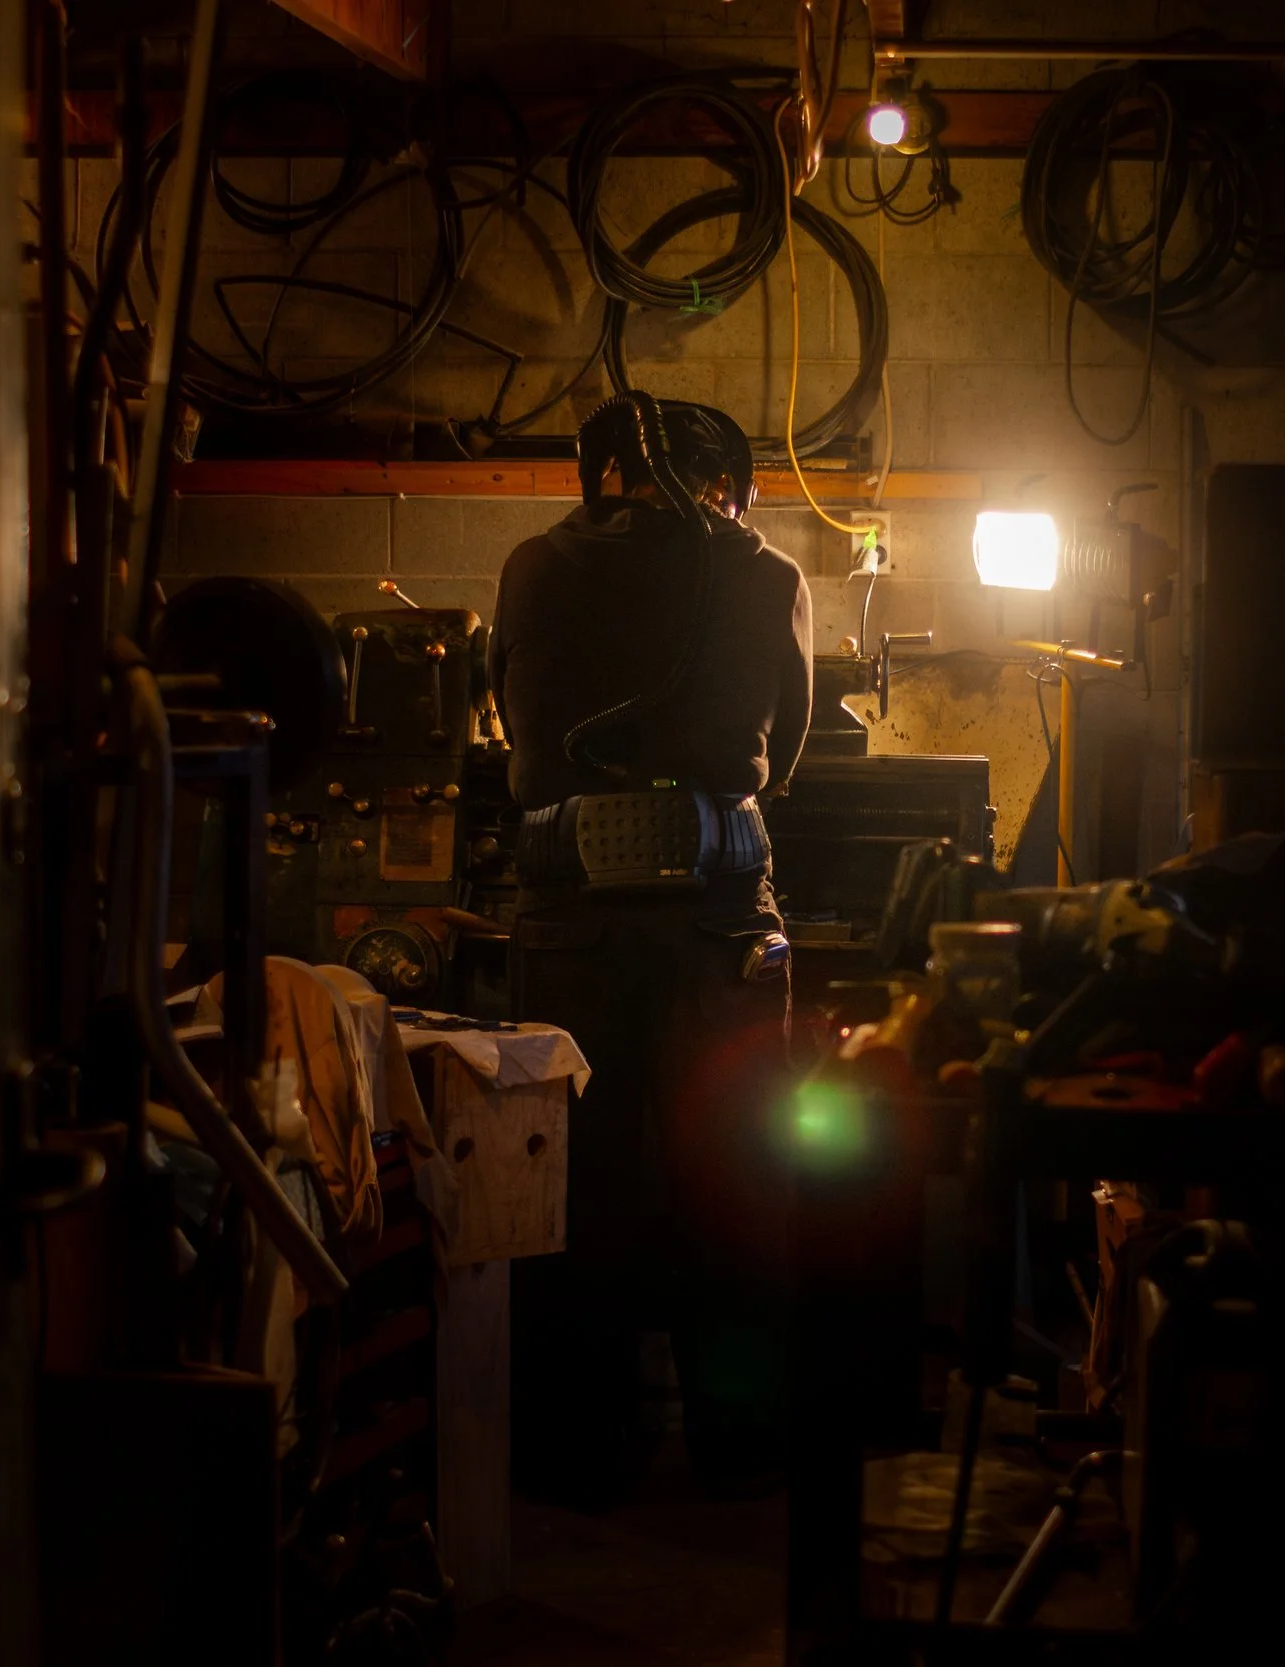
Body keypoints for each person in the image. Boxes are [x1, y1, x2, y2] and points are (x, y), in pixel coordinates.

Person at [489, 391, 812, 1495]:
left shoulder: (534, 564)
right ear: (727, 484)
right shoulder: (767, 573)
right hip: (717, 914)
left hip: (570, 913)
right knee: (736, 1172)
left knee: (572, 1180)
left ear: (601, 476)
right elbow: (788, 748)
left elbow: (516, 723)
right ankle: (739, 1445)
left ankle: (572, 1449)